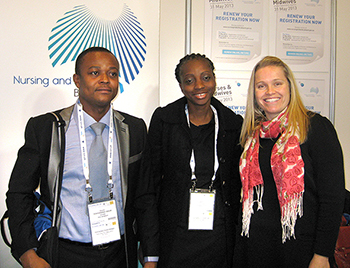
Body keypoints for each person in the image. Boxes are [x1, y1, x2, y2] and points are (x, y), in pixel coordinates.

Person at [6, 47, 147, 268]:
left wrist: (150, 254)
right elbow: (19, 192)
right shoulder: (47, 128)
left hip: (119, 253)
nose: (105, 80)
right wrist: (27, 253)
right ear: (77, 80)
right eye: (94, 73)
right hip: (65, 254)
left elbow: (143, 196)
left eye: (112, 73)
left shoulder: (134, 129)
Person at [234, 56, 345, 268]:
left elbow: (332, 199)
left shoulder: (315, 128)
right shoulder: (252, 136)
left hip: (301, 251)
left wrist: (322, 255)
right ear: (254, 93)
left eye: (277, 83)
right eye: (261, 86)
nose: (270, 91)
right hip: (256, 249)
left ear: (290, 87)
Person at [135, 53, 243, 268]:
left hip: (219, 236)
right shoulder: (165, 120)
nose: (199, 86)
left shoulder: (233, 124)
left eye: (206, 77)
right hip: (175, 234)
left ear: (214, 79)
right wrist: (150, 251)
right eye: (189, 80)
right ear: (181, 86)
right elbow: (149, 187)